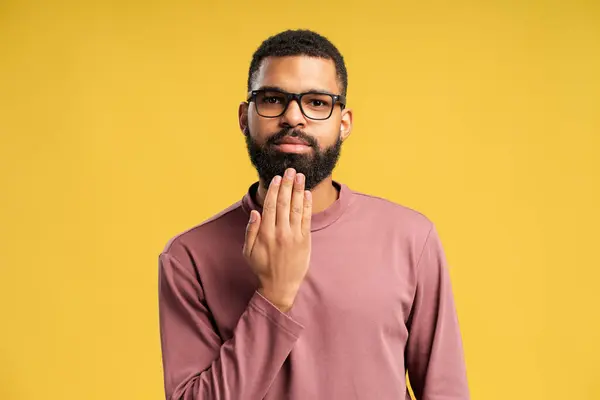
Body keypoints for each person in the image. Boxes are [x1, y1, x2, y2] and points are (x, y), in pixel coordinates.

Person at [158, 29, 470, 400]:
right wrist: (274, 297)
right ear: (245, 117)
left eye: (317, 102)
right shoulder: (188, 257)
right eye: (273, 99)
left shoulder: (411, 239)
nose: (293, 117)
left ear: (344, 122)